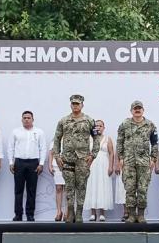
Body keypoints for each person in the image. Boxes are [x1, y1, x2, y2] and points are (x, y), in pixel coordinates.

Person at [52, 94, 101, 223]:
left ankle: (79, 213)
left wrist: (93, 155)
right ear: (70, 105)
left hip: (83, 159)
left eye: (78, 104)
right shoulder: (63, 121)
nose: (75, 106)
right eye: (73, 103)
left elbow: (96, 138)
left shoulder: (89, 120)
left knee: (81, 186)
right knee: (69, 187)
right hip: (67, 159)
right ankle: (70, 213)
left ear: (82, 105)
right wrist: (57, 156)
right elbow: (56, 139)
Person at [117, 100, 158, 223]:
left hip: (144, 162)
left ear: (143, 110)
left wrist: (153, 158)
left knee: (142, 189)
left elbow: (155, 143)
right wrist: (121, 157)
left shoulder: (150, 125)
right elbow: (119, 141)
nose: (137, 110)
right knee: (129, 189)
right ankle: (131, 215)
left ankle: (140, 215)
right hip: (128, 162)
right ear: (131, 111)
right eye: (135, 108)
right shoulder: (124, 124)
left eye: (139, 108)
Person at [10, 110, 46, 222]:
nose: (26, 119)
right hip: (19, 163)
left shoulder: (39, 132)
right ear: (22, 120)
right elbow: (10, 148)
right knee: (18, 190)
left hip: (33, 163)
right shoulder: (15, 132)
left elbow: (43, 148)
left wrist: (41, 164)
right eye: (24, 118)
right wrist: (11, 162)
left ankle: (30, 214)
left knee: (31, 190)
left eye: (28, 118)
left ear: (32, 120)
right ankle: (18, 214)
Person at [84, 120, 115, 221]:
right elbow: (87, 153)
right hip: (92, 165)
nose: (98, 127)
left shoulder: (108, 139)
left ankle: (102, 213)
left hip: (104, 165)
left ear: (104, 127)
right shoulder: (89, 139)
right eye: (96, 126)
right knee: (92, 187)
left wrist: (110, 166)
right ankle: (93, 213)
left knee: (103, 187)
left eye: (100, 126)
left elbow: (111, 153)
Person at [48, 144, 67, 222]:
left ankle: (67, 212)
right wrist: (50, 165)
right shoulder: (54, 140)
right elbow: (51, 153)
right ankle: (59, 212)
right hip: (57, 166)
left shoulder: (72, 137)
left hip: (69, 166)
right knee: (58, 188)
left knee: (68, 189)